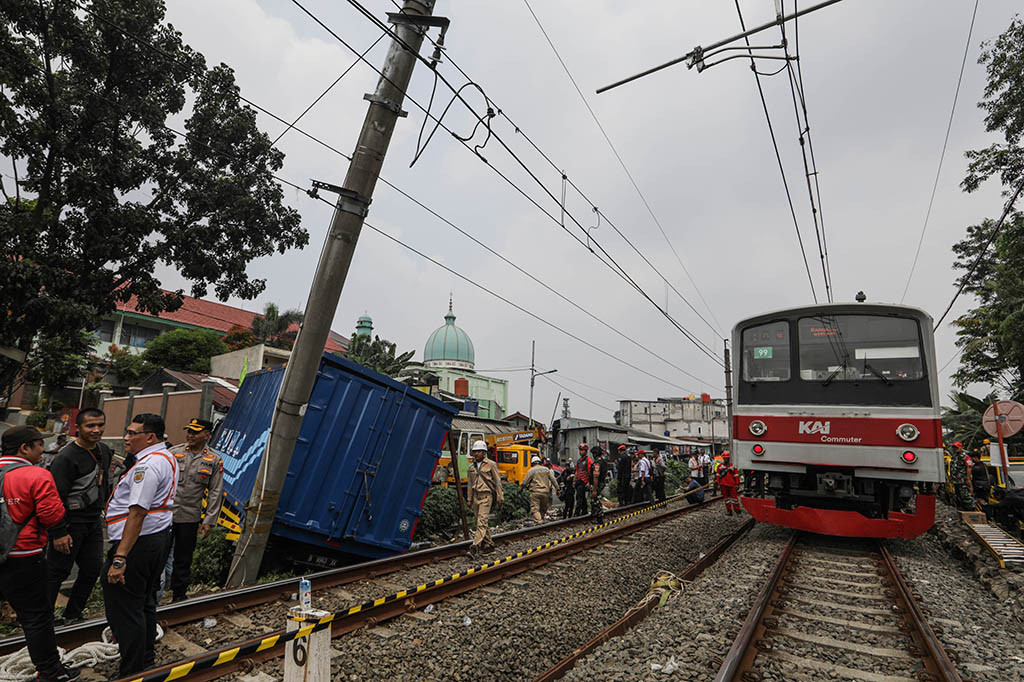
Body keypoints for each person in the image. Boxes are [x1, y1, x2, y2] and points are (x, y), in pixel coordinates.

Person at [0, 426, 79, 681]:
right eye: (39, 444)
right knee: (36, 617)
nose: (43, 450)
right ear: (25, 448)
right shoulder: (37, 474)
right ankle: (50, 671)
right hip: (24, 555)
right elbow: (51, 515)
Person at [103, 414, 178, 676]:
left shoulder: (147, 466)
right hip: (156, 538)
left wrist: (120, 558)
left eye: (132, 433)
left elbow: (137, 513)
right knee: (144, 603)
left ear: (150, 437)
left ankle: (131, 671)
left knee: (125, 608)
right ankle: (145, 661)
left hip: (138, 543)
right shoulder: (165, 457)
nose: (126, 438)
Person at [46, 408, 113, 625]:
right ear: (78, 428)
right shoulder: (66, 457)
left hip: (93, 522)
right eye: (90, 426)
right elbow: (55, 497)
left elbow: (105, 483)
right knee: (57, 571)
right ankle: (44, 619)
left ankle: (73, 614)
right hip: (70, 523)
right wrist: (58, 532)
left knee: (92, 569)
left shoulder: (104, 450)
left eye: (100, 425)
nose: (96, 430)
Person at [159, 418, 224, 603]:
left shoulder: (214, 459)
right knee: (159, 556)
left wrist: (209, 521)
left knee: (183, 558)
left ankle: (178, 596)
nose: (190, 435)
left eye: (195, 432)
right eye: (189, 431)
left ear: (207, 435)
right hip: (165, 515)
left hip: (190, 517)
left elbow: (215, 491)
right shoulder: (174, 452)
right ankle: (152, 595)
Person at [466, 440, 502, 556]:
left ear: (484, 452)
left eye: (479, 451)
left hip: (486, 496)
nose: (476, 454)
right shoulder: (471, 467)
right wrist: (469, 499)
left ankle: (475, 547)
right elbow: (470, 484)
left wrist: (500, 497)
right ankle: (489, 545)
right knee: (480, 521)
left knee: (481, 522)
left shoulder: (491, 464)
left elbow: (498, 482)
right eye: (475, 451)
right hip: (476, 497)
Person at [520, 455, 558, 524]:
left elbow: (524, 482)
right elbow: (553, 480)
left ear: (532, 463)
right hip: (545, 493)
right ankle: (540, 520)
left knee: (535, 509)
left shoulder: (531, 471)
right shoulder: (546, 470)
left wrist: (520, 490)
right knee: (543, 509)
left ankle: (539, 521)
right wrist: (557, 489)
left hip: (535, 493)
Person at [948, 441, 975, 511]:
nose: (955, 449)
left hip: (962, 480)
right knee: (958, 495)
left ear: (961, 447)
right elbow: (952, 467)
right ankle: (961, 509)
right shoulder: (954, 456)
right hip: (956, 480)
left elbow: (969, 467)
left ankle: (970, 509)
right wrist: (950, 476)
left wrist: (968, 478)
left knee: (965, 495)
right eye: (954, 447)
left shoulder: (966, 457)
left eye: (957, 447)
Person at [572, 444, 593, 517]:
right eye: (580, 450)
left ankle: (577, 513)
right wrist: (574, 481)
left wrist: (589, 482)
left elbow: (590, 472)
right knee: (582, 497)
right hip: (578, 481)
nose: (580, 452)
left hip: (584, 482)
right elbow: (577, 471)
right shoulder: (579, 461)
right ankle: (585, 511)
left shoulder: (589, 461)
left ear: (586, 451)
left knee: (579, 497)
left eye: (582, 450)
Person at [589, 447, 610, 521]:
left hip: (597, 484)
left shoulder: (597, 463)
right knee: (595, 499)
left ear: (595, 454)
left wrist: (594, 489)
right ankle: (595, 515)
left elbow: (596, 477)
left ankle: (599, 517)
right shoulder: (603, 462)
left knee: (595, 499)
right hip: (601, 482)